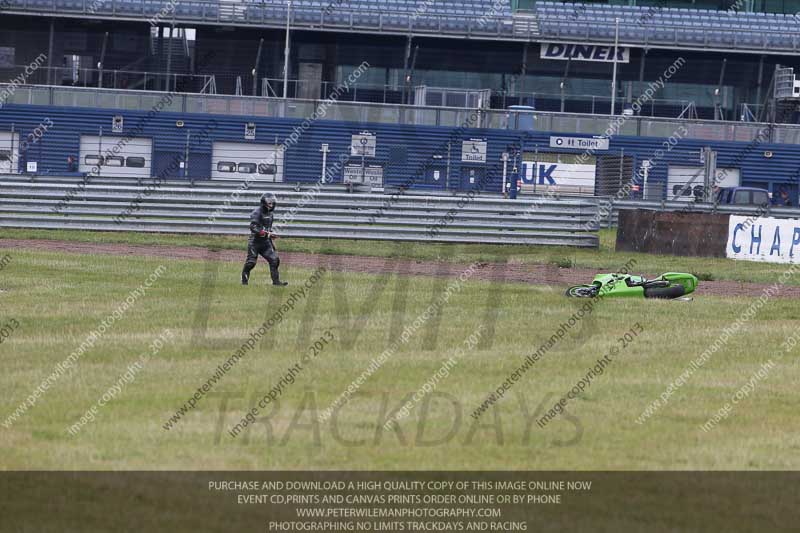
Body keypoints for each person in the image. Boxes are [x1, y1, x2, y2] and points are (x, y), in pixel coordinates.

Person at [241, 193, 287, 286]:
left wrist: (271, 235)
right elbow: (253, 227)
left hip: (266, 243)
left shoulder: (270, 214)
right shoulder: (256, 212)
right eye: (269, 203)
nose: (271, 205)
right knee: (251, 263)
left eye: (272, 203)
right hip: (255, 242)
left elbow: (268, 228)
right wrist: (264, 233)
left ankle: (276, 282)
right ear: (263, 203)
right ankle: (244, 281)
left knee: (275, 260)